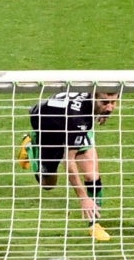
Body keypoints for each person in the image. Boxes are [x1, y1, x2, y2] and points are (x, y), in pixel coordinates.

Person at [22, 86, 119, 242]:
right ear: (94, 97)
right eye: (105, 103)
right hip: (47, 126)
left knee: (92, 174)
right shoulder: (78, 117)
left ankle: (94, 225)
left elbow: (97, 106)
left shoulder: (91, 102)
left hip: (71, 124)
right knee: (48, 184)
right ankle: (32, 145)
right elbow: (69, 160)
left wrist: (103, 111)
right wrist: (83, 197)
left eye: (113, 102)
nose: (110, 107)